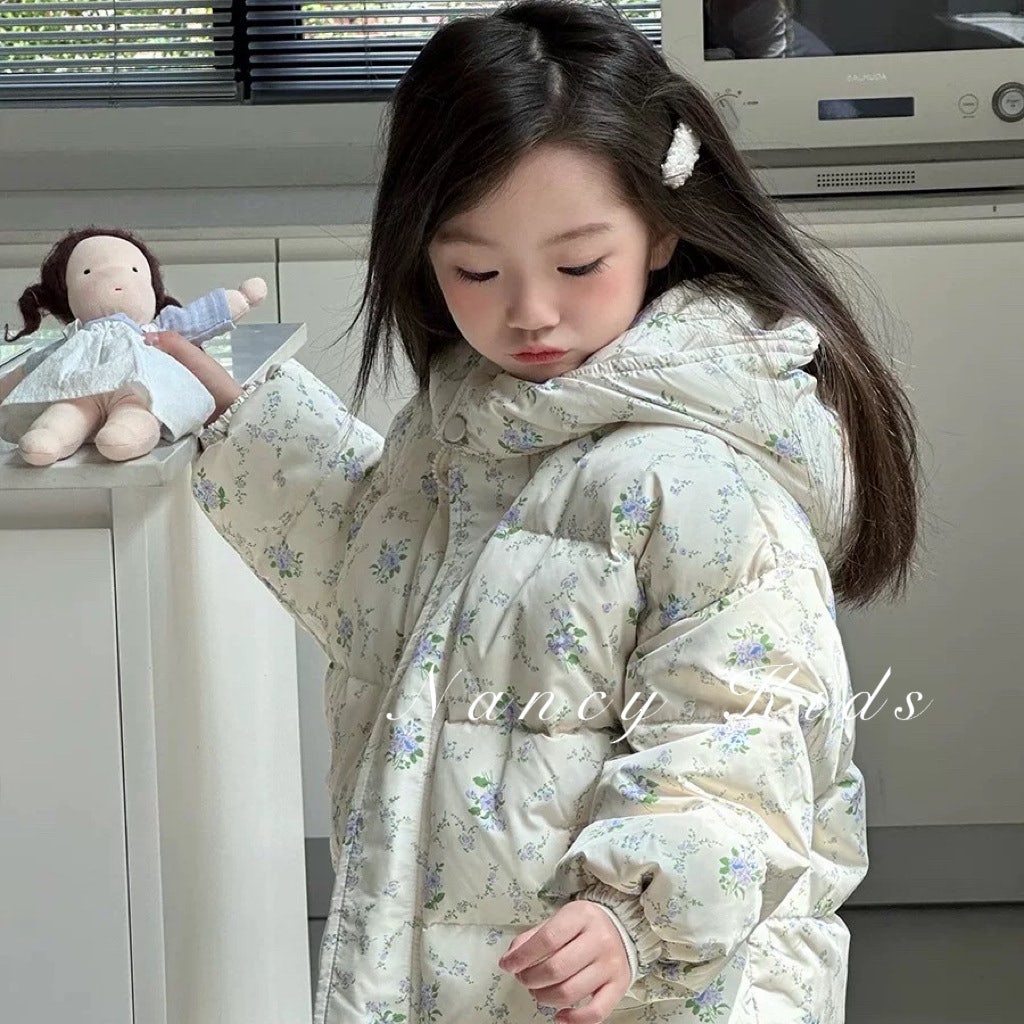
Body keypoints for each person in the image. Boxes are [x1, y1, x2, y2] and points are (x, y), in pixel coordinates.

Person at [148, 2, 921, 1021]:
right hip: (474, 976)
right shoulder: (474, 425)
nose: (530, 312)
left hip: (649, 988)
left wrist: (632, 913)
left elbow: (743, 739)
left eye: (577, 264)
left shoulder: (698, 483)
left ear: (662, 228)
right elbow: (384, 588)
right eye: (476, 270)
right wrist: (241, 421)